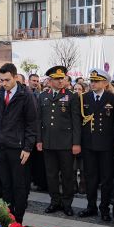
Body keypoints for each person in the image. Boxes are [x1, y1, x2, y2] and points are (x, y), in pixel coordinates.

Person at [0, 63, 37, 223]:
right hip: (0, 147)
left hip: (18, 149)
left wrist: (28, 148)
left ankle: (18, 221)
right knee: (4, 186)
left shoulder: (26, 95)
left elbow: (32, 124)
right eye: (1, 80)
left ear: (15, 77)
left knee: (19, 186)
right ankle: (7, 219)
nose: (4, 83)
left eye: (7, 80)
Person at [78, 69, 114, 222]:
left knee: (106, 179)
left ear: (105, 83)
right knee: (90, 178)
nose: (93, 83)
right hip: (89, 144)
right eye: (91, 81)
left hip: (107, 146)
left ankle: (104, 208)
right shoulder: (84, 97)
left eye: (96, 81)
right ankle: (91, 206)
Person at [38, 66, 82, 217]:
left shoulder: (71, 96)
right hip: (48, 142)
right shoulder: (43, 96)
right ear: (50, 81)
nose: (60, 81)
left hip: (66, 143)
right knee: (51, 175)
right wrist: (39, 140)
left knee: (68, 175)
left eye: (62, 78)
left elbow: (76, 121)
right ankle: (54, 201)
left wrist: (76, 143)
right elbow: (39, 120)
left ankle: (67, 203)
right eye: (57, 79)